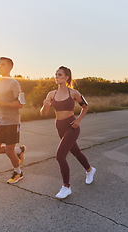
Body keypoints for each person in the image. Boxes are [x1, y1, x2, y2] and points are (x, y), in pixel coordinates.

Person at [40, 66, 96, 199]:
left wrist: (78, 120)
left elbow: (85, 106)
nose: (56, 77)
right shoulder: (51, 94)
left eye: (59, 75)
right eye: (56, 74)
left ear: (66, 77)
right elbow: (43, 113)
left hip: (72, 125)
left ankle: (66, 187)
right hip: (59, 126)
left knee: (60, 155)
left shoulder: (73, 93)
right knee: (75, 151)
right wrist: (45, 105)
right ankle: (90, 170)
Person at [0, 57, 26, 184]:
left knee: (9, 152)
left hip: (12, 121)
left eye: (3, 65)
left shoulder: (14, 83)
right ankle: (19, 150)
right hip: (1, 121)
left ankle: (18, 173)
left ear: (10, 67)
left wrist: (2, 103)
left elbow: (21, 104)